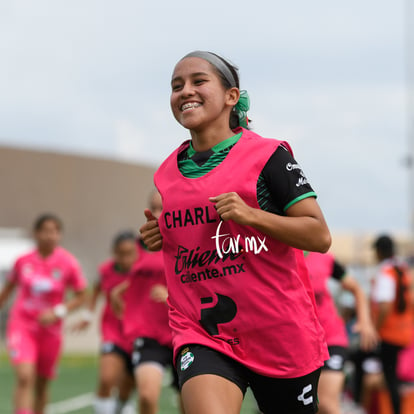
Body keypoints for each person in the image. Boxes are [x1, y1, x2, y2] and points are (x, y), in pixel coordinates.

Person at [140, 50, 332, 414]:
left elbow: (319, 235)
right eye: (176, 86)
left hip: (279, 333)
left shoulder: (269, 156)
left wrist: (252, 216)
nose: (185, 91)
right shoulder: (166, 173)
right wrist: (162, 234)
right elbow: (198, 235)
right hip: (203, 331)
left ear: (231, 96)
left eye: (198, 81)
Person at [0, 213, 87, 414]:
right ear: (36, 233)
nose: (50, 235)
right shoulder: (23, 261)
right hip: (22, 324)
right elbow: (7, 291)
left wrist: (58, 312)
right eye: (45, 231)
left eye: (55, 231)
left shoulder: (68, 263)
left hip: (50, 331)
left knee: (41, 383)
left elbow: (82, 296)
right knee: (24, 375)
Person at [111, 190, 182, 414]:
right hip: (149, 335)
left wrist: (171, 296)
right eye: (153, 207)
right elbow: (130, 281)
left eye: (163, 207)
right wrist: (121, 300)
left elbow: (203, 286)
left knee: (191, 405)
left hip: (184, 333)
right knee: (147, 396)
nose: (157, 213)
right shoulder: (138, 245)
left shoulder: (188, 242)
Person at [304, 251, 378, 414]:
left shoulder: (323, 258)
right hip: (297, 345)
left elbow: (356, 289)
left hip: (330, 339)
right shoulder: (273, 256)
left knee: (326, 405)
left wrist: (365, 321)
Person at [72, 231, 137, 414]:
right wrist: (87, 316)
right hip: (113, 332)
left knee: (128, 385)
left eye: (129, 253)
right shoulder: (105, 271)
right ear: (113, 252)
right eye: (120, 253)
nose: (125, 258)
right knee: (107, 379)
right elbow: (95, 293)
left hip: (138, 333)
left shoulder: (143, 271)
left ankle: (122, 405)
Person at [369, 234, 413, 414]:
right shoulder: (402, 269)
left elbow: (385, 306)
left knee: (391, 379)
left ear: (380, 252)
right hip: (404, 333)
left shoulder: (386, 273)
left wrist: (375, 330)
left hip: (389, 335)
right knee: (393, 378)